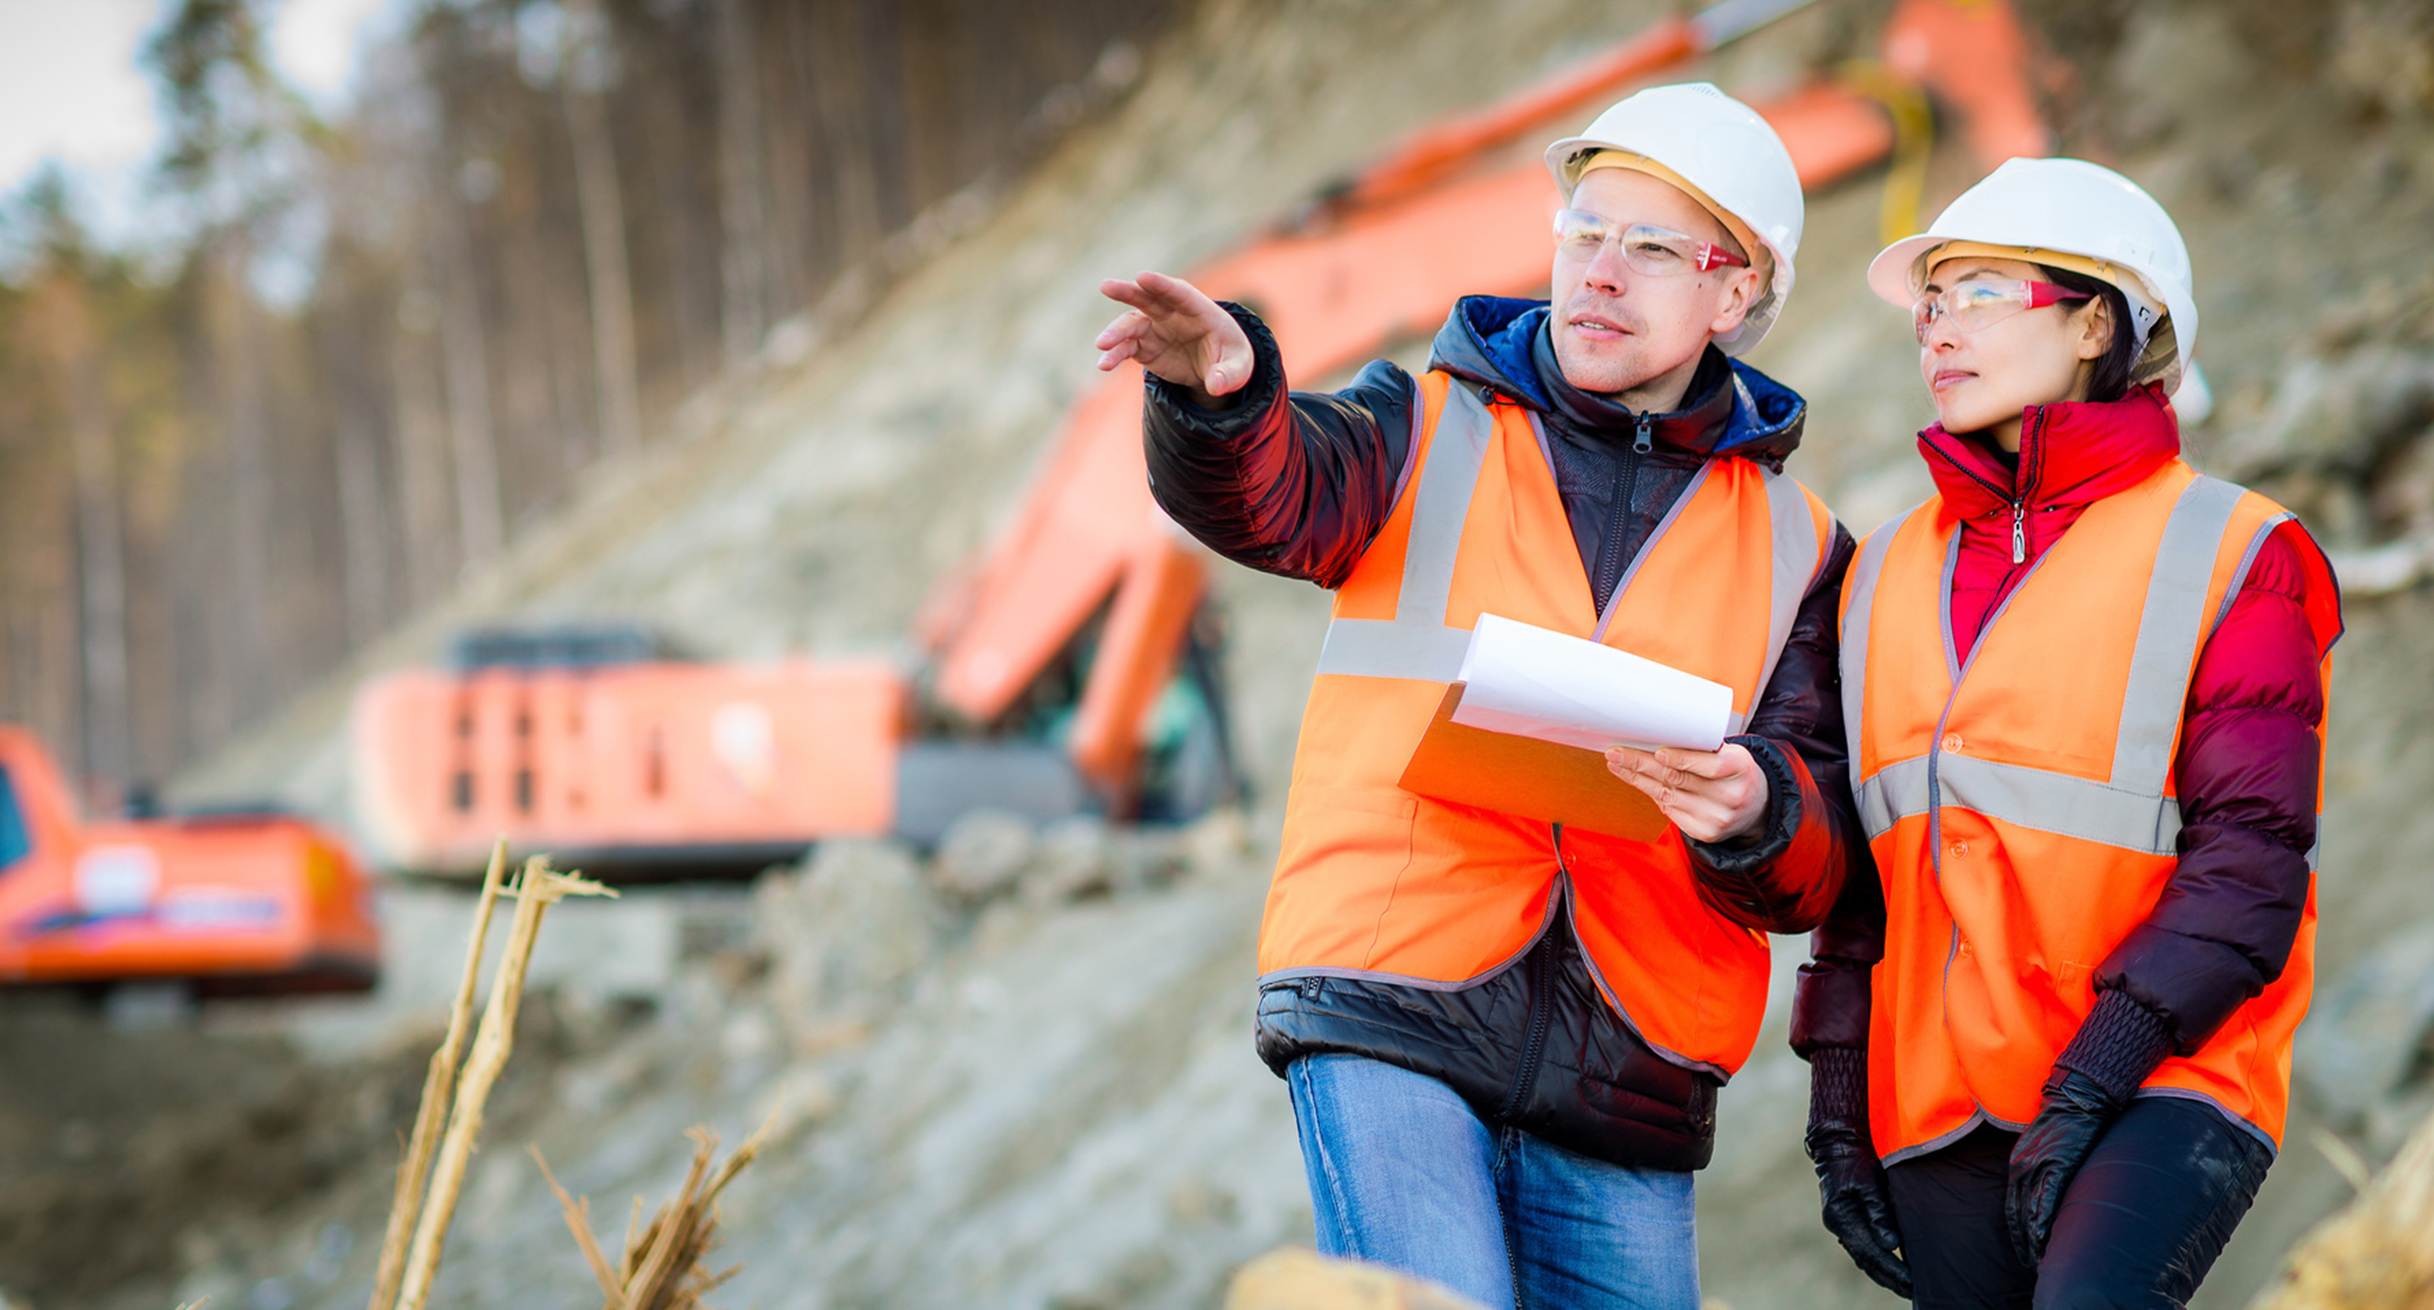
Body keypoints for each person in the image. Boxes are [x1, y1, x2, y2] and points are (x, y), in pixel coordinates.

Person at [1095, 84, 1865, 1309]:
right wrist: (1223, 400)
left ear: (1735, 291)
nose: (1601, 272)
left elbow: (1819, 863)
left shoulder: (1801, 549)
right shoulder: (1424, 426)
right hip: (1391, 994)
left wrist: (1755, 810)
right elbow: (1273, 490)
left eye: (1652, 246)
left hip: (1631, 1063)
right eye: (1585, 231)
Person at [1793, 157, 2343, 1308]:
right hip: (1939, 1094)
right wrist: (1838, 1093)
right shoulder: (1880, 569)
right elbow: (1867, 880)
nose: (1938, 328)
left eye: (1981, 291)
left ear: (2096, 321)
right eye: (1930, 302)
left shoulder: (2233, 549)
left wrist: (2097, 1073)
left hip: (2163, 1073)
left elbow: (2251, 857)